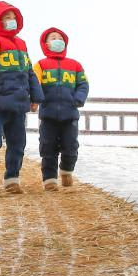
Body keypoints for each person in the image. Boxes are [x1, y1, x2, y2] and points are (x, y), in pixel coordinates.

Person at [0, 1, 44, 194]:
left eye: (14, 18)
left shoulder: (21, 44)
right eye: (7, 18)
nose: (11, 21)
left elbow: (29, 72)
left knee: (17, 142)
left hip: (19, 104)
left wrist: (35, 97)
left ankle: (12, 179)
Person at [33, 27, 89, 191]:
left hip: (70, 115)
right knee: (47, 147)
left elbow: (83, 84)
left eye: (60, 37)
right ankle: (49, 179)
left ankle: (66, 171)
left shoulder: (75, 65)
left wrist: (78, 99)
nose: (57, 40)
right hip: (48, 116)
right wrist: (35, 99)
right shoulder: (40, 65)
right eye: (52, 38)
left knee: (70, 146)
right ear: (46, 43)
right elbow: (34, 83)